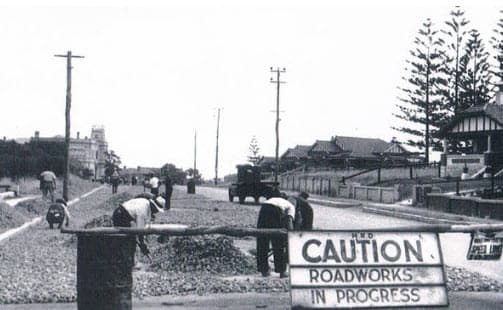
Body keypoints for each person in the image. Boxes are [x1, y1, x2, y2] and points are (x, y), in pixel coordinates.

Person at [112, 194, 165, 259]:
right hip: (120, 216)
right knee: (126, 241)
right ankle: (125, 261)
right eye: (156, 210)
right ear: (153, 206)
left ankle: (128, 260)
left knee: (129, 239)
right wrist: (142, 244)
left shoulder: (145, 202)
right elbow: (140, 230)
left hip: (123, 214)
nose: (156, 212)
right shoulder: (143, 209)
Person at [256, 193, 296, 278]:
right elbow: (289, 222)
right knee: (278, 241)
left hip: (263, 208)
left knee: (262, 240)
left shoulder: (274, 200)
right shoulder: (291, 206)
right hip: (275, 211)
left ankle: (264, 270)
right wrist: (291, 235)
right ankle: (282, 271)